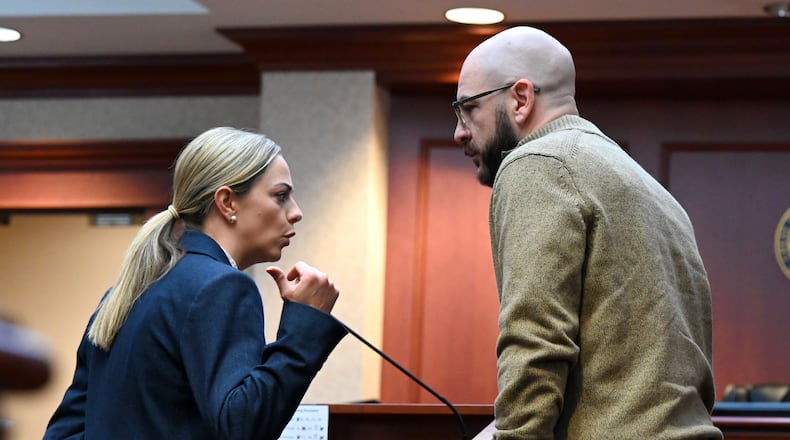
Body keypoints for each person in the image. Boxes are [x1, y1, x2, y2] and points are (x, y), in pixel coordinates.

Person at [453, 27, 721, 439]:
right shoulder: (652, 189)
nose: (459, 131)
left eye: (468, 109)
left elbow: (534, 344)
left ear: (520, 99)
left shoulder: (537, 162)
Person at [44, 127, 347, 440]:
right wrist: (305, 324)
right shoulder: (223, 286)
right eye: (281, 196)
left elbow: (63, 433)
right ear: (227, 202)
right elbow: (242, 426)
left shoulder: (128, 291)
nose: (295, 213)